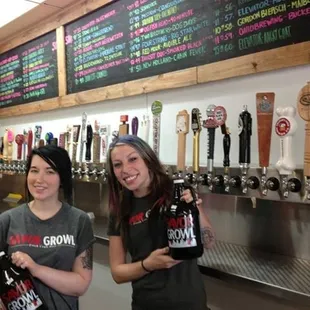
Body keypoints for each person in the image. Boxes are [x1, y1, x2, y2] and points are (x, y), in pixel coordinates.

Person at [107, 135, 215, 310]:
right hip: (147, 304)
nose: (125, 169)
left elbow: (209, 242)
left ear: (148, 159)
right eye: (117, 164)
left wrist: (195, 210)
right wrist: (147, 265)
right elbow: (117, 272)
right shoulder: (119, 209)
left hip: (191, 304)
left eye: (133, 159)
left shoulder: (176, 191)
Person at [0, 145, 96, 309]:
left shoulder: (79, 221)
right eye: (34, 170)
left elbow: (80, 284)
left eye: (50, 172)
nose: (39, 179)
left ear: (62, 178)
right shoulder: (7, 220)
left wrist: (35, 268)